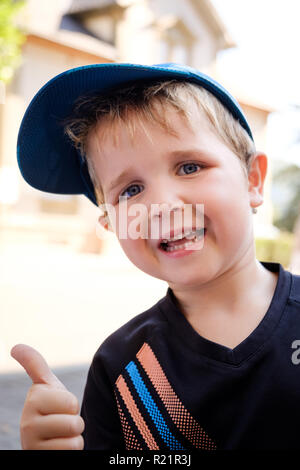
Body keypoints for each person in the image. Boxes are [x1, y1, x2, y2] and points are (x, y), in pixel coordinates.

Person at [12, 62, 300, 450]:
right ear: (111, 223)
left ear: (253, 180)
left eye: (190, 166)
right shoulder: (120, 370)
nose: (162, 205)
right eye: (130, 191)